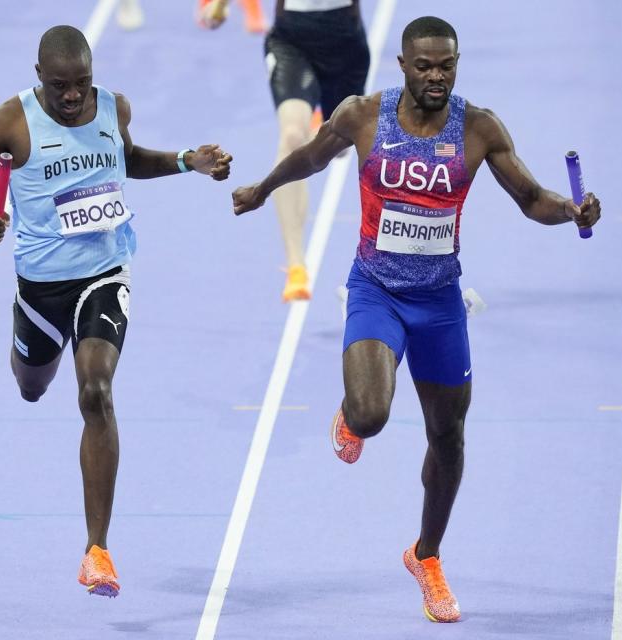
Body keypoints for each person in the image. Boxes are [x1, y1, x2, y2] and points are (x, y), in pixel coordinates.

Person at [232, 16, 600, 622]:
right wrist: (264, 187)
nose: (436, 77)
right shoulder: (361, 116)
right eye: (424, 66)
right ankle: (351, 411)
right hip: (376, 289)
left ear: (457, 65)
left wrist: (573, 208)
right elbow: (311, 157)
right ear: (402, 65)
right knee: (371, 415)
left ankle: (426, 556)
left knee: (449, 439)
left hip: (439, 304)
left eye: (446, 66)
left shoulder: (478, 128)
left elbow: (533, 199)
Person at [0, 25, 232, 598]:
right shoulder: (7, 123)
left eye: (82, 83)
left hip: (106, 274)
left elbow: (127, 160)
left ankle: (97, 551)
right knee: (32, 386)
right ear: (39, 78)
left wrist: (187, 161)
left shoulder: (114, 106)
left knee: (96, 391)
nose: (74, 95)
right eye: (61, 86)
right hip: (41, 289)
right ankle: (30, 352)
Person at [213, 0, 369, 301]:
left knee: (339, 148)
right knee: (291, 134)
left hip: (345, 43)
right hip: (292, 41)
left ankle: (324, 132)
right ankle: (296, 263)